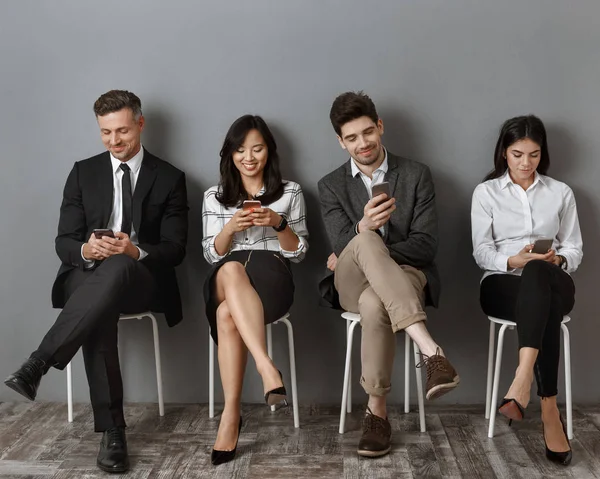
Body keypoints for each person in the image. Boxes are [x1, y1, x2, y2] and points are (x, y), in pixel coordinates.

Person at [4, 90, 189, 474]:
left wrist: (133, 251)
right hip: (85, 279)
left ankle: (39, 363)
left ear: (140, 123)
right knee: (99, 307)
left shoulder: (169, 177)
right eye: (105, 133)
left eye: (122, 130)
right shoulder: (82, 172)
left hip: (140, 279)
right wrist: (88, 250)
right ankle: (113, 432)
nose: (114, 141)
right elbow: (63, 242)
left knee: (119, 268)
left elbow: (175, 249)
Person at [318, 91, 459, 458]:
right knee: (363, 240)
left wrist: (369, 248)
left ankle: (376, 413)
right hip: (349, 281)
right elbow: (341, 243)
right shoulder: (330, 185)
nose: (362, 143)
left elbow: (425, 246)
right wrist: (364, 229)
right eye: (351, 138)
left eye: (367, 132)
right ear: (340, 141)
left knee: (374, 300)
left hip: (407, 275)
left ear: (380, 127)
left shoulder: (415, 175)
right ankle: (430, 350)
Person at [471, 115, 582, 466]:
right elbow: (481, 252)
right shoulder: (486, 192)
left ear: (541, 154)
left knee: (540, 271)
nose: (525, 163)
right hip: (502, 283)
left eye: (533, 155)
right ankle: (549, 408)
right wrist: (515, 260)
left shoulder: (561, 192)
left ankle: (521, 381)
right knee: (539, 291)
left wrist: (557, 260)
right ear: (504, 152)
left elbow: (575, 249)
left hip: (553, 278)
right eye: (518, 154)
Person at [202, 114, 308, 465]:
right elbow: (210, 253)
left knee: (225, 314)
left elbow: (299, 253)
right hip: (225, 275)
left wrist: (278, 223)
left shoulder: (290, 192)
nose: (249, 157)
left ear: (269, 152)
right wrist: (230, 227)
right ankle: (267, 368)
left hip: (271, 275)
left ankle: (231, 416)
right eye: (240, 150)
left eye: (257, 149)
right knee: (231, 266)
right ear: (230, 154)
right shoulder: (213, 197)